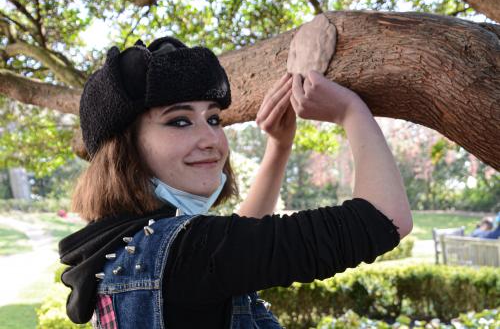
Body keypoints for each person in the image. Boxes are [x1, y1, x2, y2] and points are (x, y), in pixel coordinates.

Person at [59, 36, 413, 329]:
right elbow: (385, 218)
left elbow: (233, 246)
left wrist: (279, 146)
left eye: (213, 118)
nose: (212, 138)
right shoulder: (187, 255)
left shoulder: (124, 248)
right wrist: (351, 112)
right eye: (180, 121)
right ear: (124, 150)